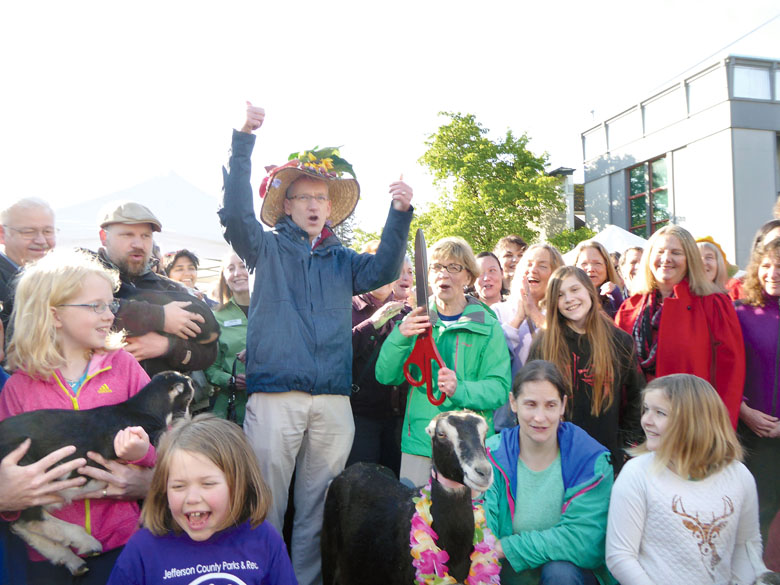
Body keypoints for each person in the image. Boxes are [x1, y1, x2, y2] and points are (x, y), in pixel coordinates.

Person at [219, 103, 412, 585]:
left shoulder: (344, 260)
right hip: (275, 396)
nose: (312, 205)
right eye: (303, 196)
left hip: (331, 401)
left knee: (316, 511)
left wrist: (399, 214)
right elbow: (237, 211)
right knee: (265, 504)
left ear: (329, 207)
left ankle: (303, 581)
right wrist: (243, 140)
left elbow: (386, 269)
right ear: (286, 204)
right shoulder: (263, 247)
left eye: (320, 198)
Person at [0, 250, 154, 584]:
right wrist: (9, 500)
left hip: (122, 542)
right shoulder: (18, 388)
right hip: (48, 557)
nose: (108, 315)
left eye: (110, 304)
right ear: (54, 315)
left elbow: (162, 439)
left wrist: (152, 482)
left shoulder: (124, 367)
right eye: (95, 306)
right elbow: (8, 471)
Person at [375, 236, 511, 487]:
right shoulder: (413, 321)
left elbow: (499, 389)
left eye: (454, 267)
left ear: (469, 278)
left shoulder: (488, 326)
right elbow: (385, 375)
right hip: (420, 443)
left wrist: (461, 389)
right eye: (437, 267)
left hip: (469, 447)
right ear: (428, 276)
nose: (443, 274)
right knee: (415, 521)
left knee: (466, 523)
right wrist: (401, 336)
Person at [606, 374, 764, 585]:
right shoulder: (637, 474)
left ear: (694, 421)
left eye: (660, 413)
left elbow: (747, 546)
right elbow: (620, 556)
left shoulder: (738, 476)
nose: (646, 420)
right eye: (646, 409)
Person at [107, 415, 297, 585]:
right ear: (163, 490)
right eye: (178, 486)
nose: (192, 498)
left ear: (239, 484)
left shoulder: (263, 539)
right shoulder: (143, 550)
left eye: (207, 484)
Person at [484, 360, 614, 585]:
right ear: (513, 403)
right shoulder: (491, 455)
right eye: (531, 404)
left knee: (559, 571)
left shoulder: (590, 459)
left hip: (568, 578)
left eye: (550, 405)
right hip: (504, 578)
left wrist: (506, 547)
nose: (540, 417)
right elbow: (481, 528)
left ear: (563, 405)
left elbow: (584, 540)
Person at [614, 225, 745, 428]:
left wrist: (722, 429)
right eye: (660, 252)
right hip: (639, 424)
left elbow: (731, 373)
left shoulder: (713, 303)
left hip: (693, 424)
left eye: (676, 253)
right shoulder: (629, 308)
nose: (666, 259)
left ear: (690, 260)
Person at [529, 266, 643, 473]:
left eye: (575, 290)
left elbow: (637, 395)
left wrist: (627, 443)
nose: (569, 299)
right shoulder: (543, 344)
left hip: (605, 455)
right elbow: (528, 396)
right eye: (560, 295)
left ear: (589, 291)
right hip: (554, 457)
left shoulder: (619, 341)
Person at [95, 202, 217, 376]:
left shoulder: (170, 287)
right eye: (127, 235)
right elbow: (84, 309)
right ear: (103, 237)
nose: (138, 244)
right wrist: (161, 317)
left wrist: (168, 346)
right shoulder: (83, 276)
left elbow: (209, 351)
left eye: (145, 236)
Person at [346, 241, 410, 478]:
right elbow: (339, 351)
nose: (384, 273)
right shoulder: (348, 306)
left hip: (397, 418)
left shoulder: (407, 312)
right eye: (378, 266)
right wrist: (373, 323)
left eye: (391, 267)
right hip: (360, 416)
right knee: (362, 484)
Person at [734, 236, 780, 558]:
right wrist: (743, 410)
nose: (773, 273)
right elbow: (722, 372)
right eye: (766, 265)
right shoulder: (739, 313)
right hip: (754, 435)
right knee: (755, 519)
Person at [493, 243, 565, 375]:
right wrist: (517, 320)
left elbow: (566, 350)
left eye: (542, 266)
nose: (533, 270)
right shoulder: (498, 311)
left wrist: (534, 313)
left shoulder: (563, 312)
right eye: (528, 264)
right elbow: (492, 358)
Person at [205, 251, 251, 424]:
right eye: (231, 269)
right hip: (232, 413)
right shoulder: (215, 317)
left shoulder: (274, 311)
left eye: (243, 266)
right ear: (224, 276)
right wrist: (229, 380)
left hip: (273, 409)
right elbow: (210, 368)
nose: (237, 273)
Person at [0, 198, 56, 332]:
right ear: (2, 234)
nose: (41, 240)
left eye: (47, 231)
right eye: (28, 232)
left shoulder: (59, 277)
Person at [574, 240, 624, 318]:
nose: (590, 269)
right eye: (584, 263)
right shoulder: (568, 299)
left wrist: (617, 299)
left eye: (597, 263)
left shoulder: (616, 297)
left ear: (607, 267)